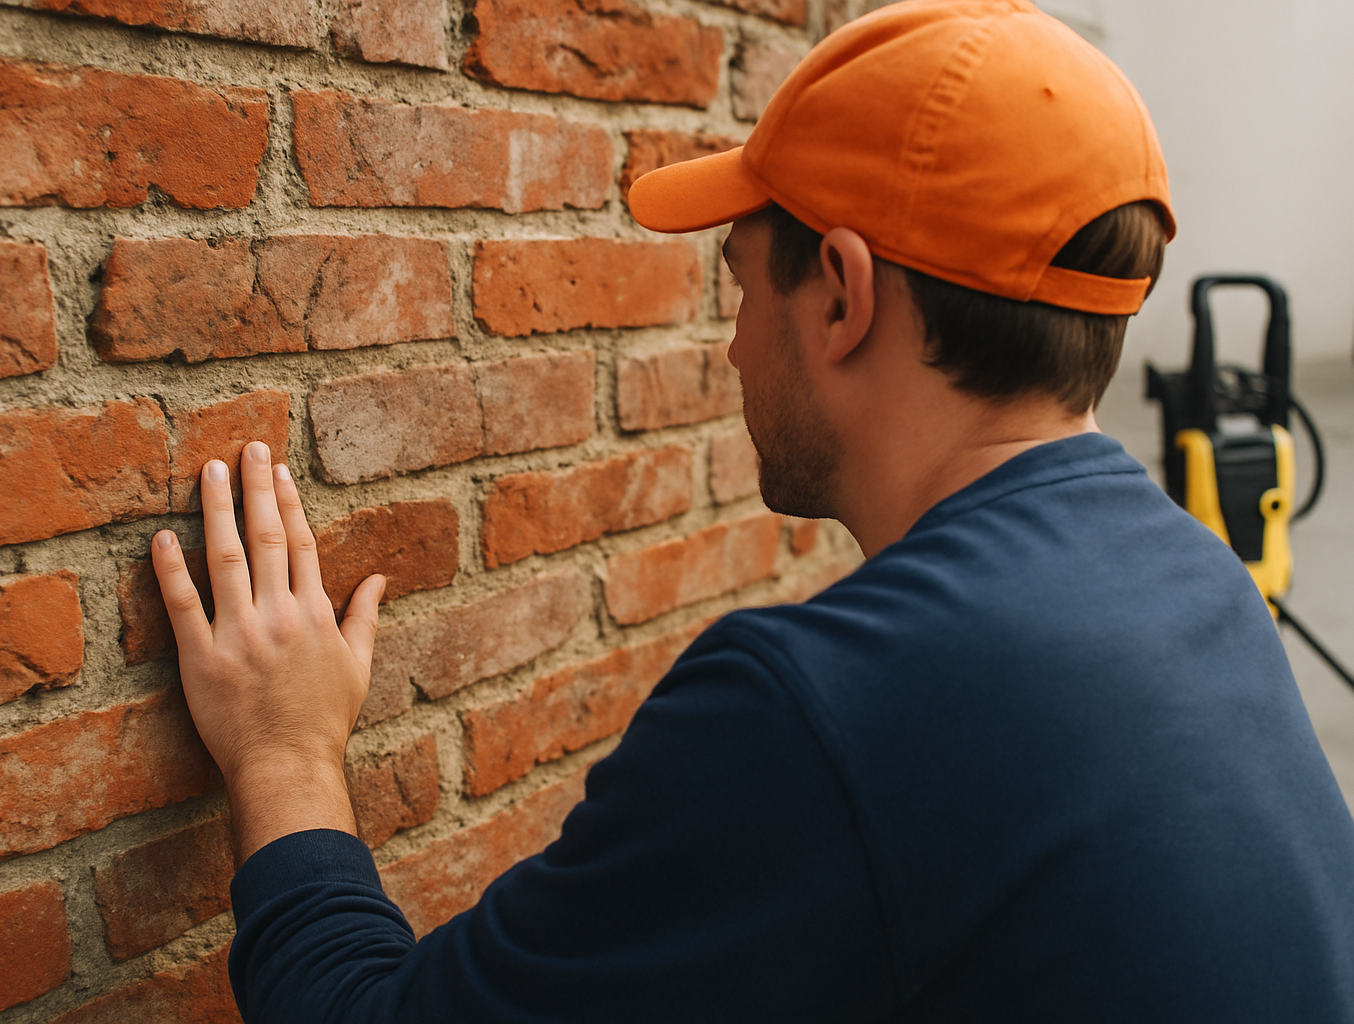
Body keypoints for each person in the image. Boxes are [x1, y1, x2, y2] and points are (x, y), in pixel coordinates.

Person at [150, 1, 1354, 1020]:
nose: (729, 346)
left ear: (841, 294)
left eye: (737, 284)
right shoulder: (1198, 578)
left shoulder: (831, 706)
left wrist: (286, 749)